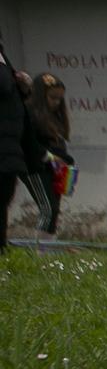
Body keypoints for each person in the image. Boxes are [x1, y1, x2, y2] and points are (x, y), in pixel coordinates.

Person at [24, 72, 73, 234]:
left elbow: (59, 144)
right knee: (48, 209)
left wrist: (66, 161)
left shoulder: (56, 117)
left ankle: (48, 247)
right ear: (41, 96)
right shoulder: (30, 114)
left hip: (55, 169)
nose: (57, 103)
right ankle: (41, 250)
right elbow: (29, 144)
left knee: (55, 209)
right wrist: (49, 157)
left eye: (60, 99)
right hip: (36, 167)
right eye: (53, 98)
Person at [0, 46, 24, 251]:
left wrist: (24, 87)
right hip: (5, 149)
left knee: (4, 199)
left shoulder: (5, 63)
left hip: (10, 149)